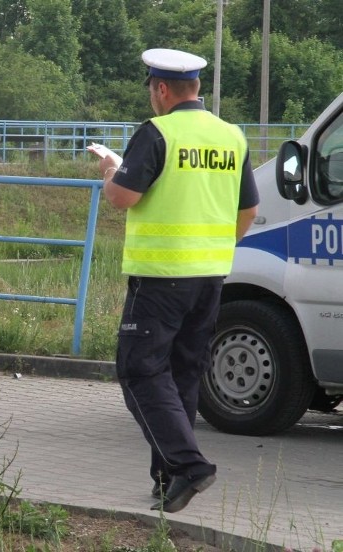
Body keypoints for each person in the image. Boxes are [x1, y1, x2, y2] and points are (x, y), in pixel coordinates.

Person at [98, 48, 259, 513]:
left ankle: (190, 467)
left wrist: (110, 171)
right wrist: (213, 249)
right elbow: (247, 210)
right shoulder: (231, 136)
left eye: (152, 89)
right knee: (182, 375)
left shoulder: (157, 132)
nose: (152, 97)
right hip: (209, 276)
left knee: (139, 369)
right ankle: (168, 477)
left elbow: (123, 196)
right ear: (198, 89)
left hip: (161, 277)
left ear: (162, 90)